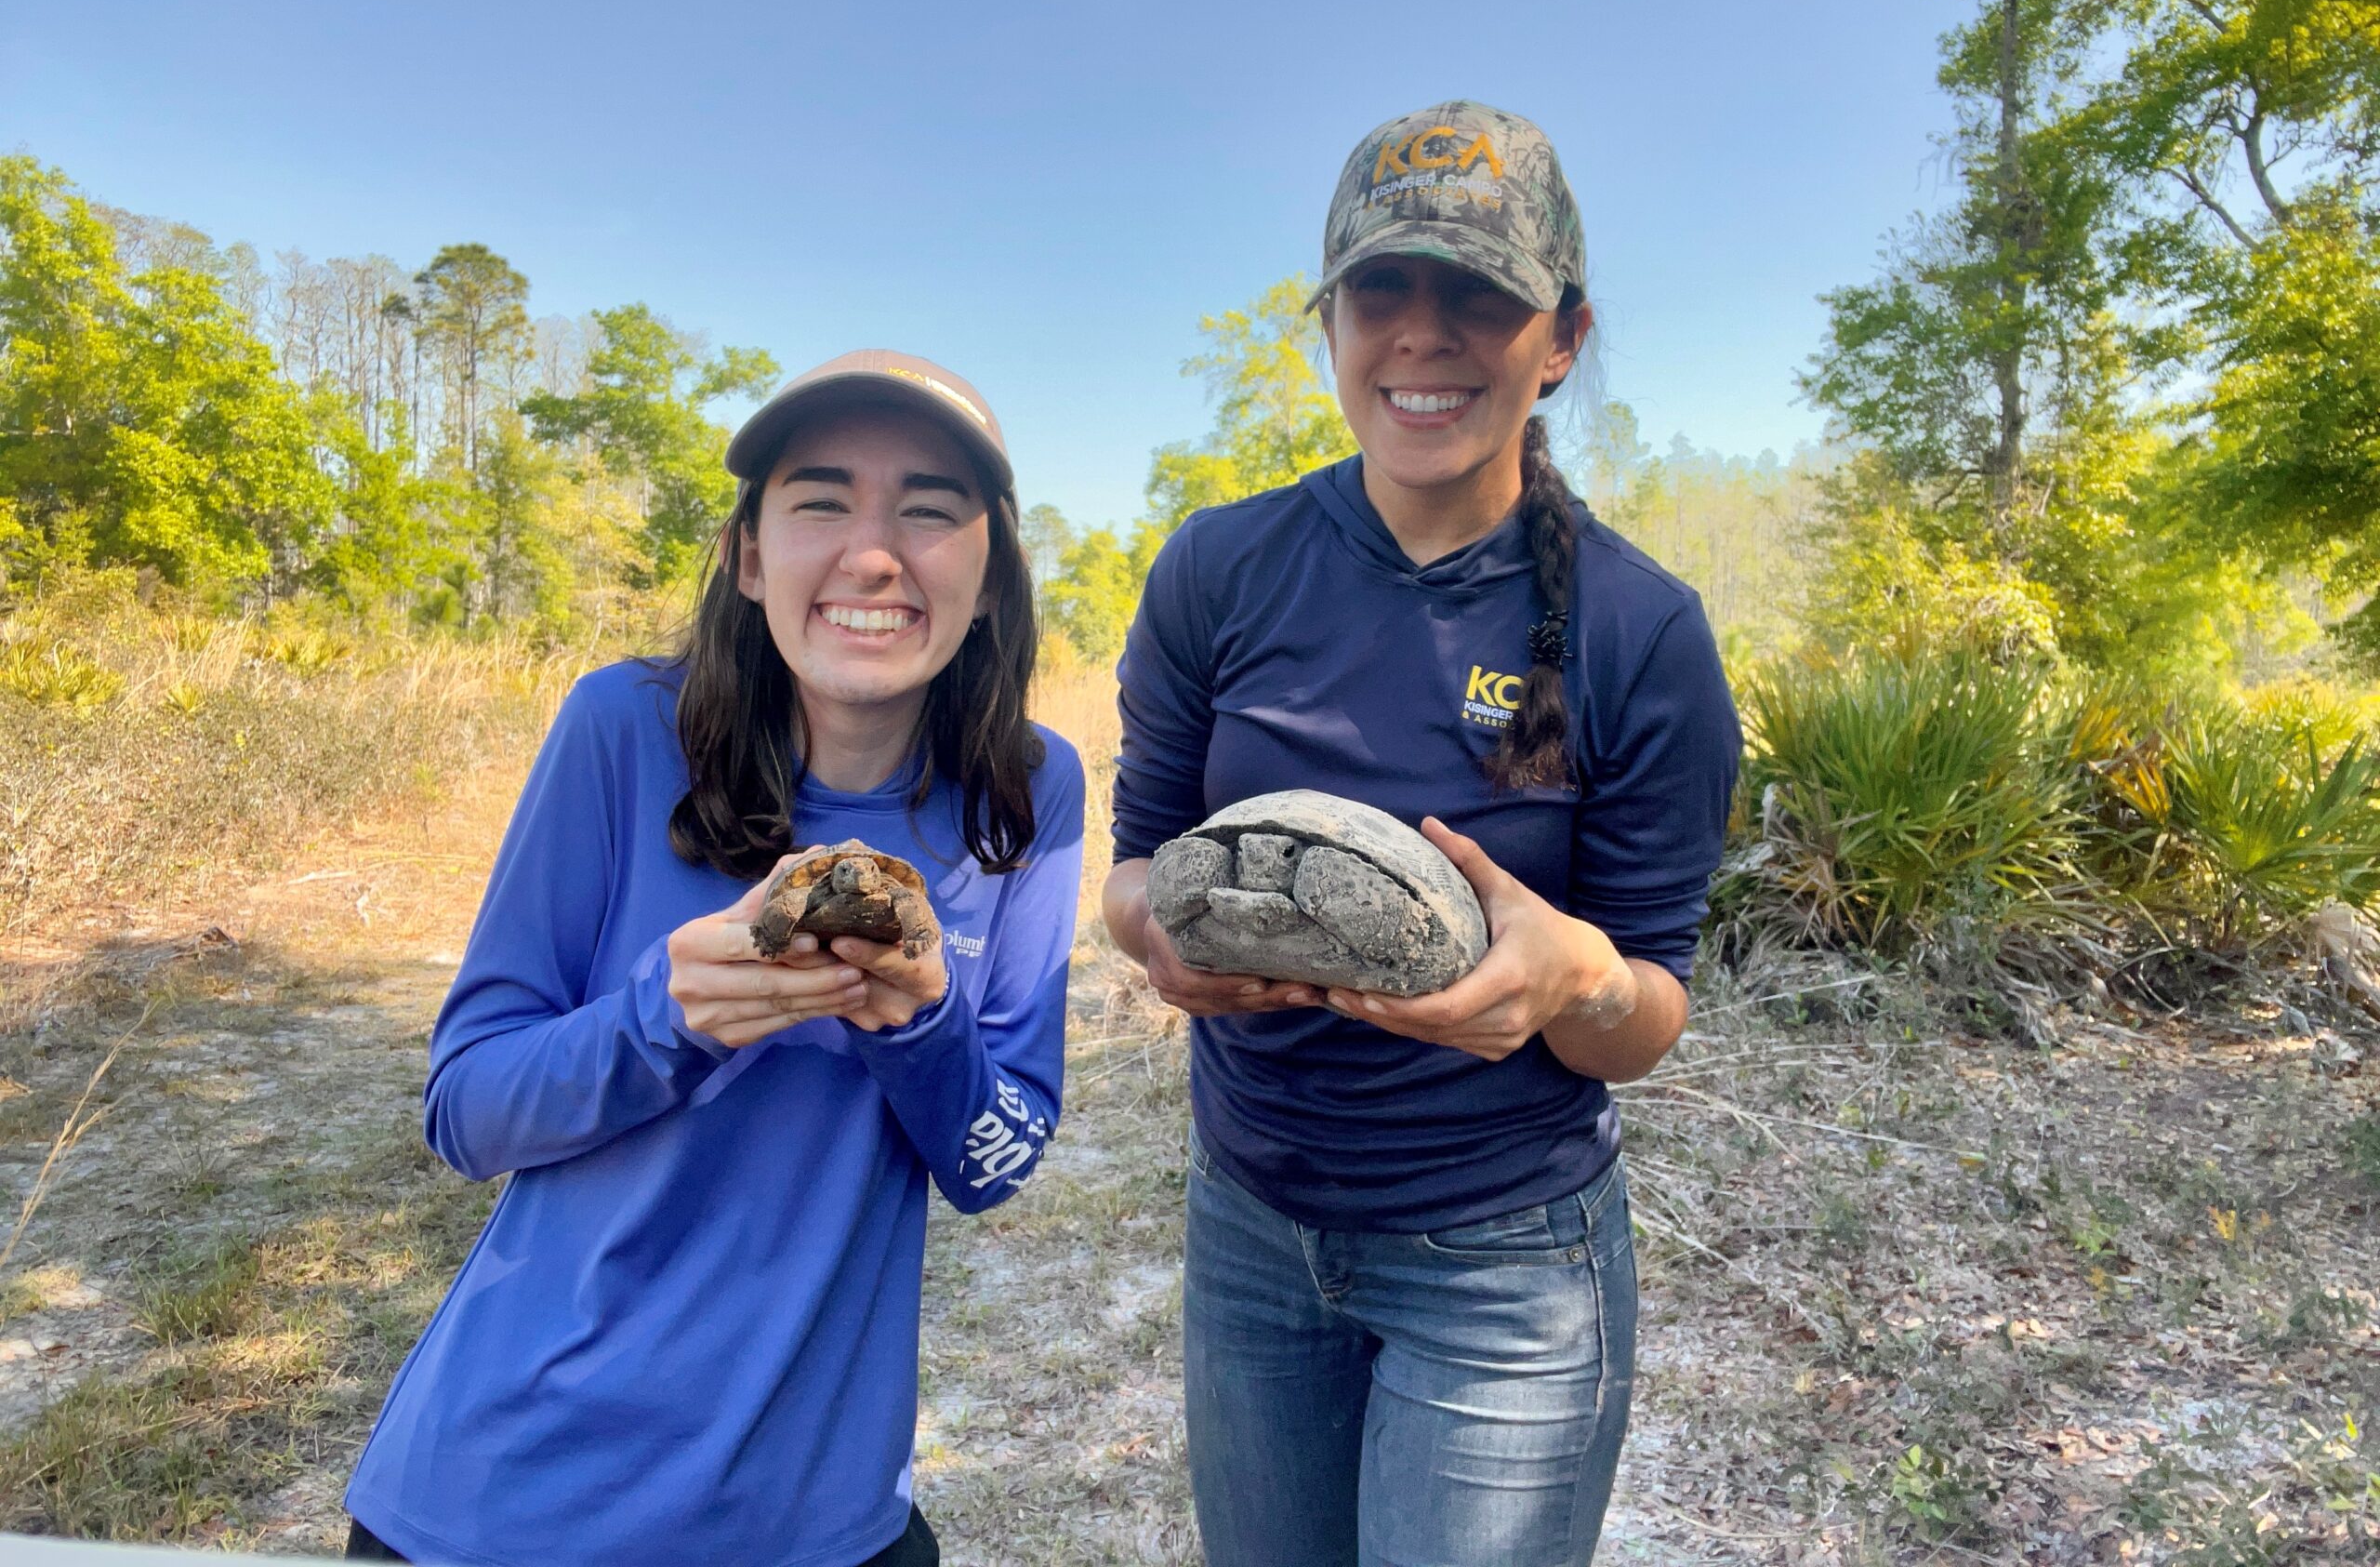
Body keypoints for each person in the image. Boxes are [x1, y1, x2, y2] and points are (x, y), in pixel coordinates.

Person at [1103, 102, 1740, 1566]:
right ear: (1329, 320)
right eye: (1382, 290)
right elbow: (1135, 867)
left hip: (1504, 1263)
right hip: (1251, 1226)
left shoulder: (1643, 636)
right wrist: (1159, 938)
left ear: (1561, 337)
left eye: (1479, 296)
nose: (1423, 336)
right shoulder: (1220, 571)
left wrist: (1575, 979)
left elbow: (1646, 1014)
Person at [343, 352, 1084, 1567]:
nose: (875, 553)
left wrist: (920, 1023)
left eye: (933, 508)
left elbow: (996, 1159)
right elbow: (464, 1112)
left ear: (995, 572)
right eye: (821, 499)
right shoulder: (623, 729)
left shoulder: (1028, 790)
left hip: (821, 1520)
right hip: (514, 1505)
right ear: (749, 556)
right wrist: (663, 1019)